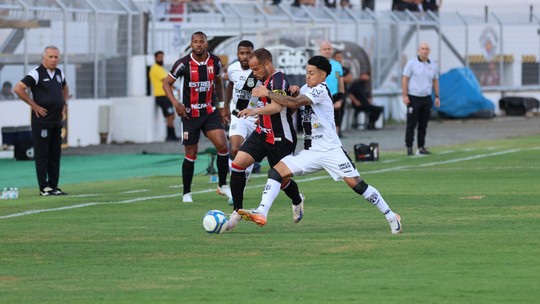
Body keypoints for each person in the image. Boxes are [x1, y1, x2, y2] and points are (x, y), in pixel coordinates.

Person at [238, 55, 402, 235]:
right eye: (306, 73)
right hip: (311, 151)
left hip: (331, 150)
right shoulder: (305, 88)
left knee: (358, 185)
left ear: (323, 76)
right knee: (276, 172)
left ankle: (391, 216)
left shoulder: (321, 90)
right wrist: (290, 93)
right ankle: (262, 212)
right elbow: (290, 108)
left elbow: (294, 103)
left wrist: (269, 93)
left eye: (312, 73)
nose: (308, 76)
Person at [226, 48, 303, 231]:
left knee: (281, 180)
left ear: (267, 64)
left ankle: (297, 199)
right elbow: (243, 101)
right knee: (237, 165)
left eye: (256, 69)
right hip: (262, 133)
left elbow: (277, 107)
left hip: (281, 138)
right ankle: (237, 212)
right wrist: (241, 109)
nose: (254, 73)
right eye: (252, 69)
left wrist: (255, 111)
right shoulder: (256, 79)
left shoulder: (278, 79)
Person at [162, 31, 232, 203]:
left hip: (209, 112)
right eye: (195, 42)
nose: (198, 45)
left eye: (201, 42)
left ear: (206, 43)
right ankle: (187, 193)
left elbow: (218, 84)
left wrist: (222, 107)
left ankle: (222, 186)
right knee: (191, 153)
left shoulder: (215, 61)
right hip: (189, 114)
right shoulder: (183, 64)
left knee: (223, 146)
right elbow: (166, 84)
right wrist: (176, 104)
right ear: (191, 44)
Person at [13, 46, 69, 196]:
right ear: (44, 58)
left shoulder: (59, 73)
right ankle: (43, 187)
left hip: (56, 122)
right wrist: (34, 105)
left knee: (55, 155)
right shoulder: (36, 73)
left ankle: (54, 186)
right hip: (41, 122)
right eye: (50, 57)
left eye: (56, 57)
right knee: (42, 155)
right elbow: (18, 88)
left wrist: (64, 104)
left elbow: (65, 88)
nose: (53, 60)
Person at [222, 40, 259, 203]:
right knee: (235, 149)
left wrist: (263, 114)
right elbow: (230, 85)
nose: (245, 56)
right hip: (239, 114)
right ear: (237, 54)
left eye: (248, 53)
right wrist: (224, 108)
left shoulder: (259, 70)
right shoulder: (232, 68)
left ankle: (242, 179)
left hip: (256, 116)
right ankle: (235, 185)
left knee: (249, 154)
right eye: (241, 53)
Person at [402, 42, 441, 156]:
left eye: (426, 49)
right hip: (414, 97)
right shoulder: (412, 63)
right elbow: (405, 78)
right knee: (411, 123)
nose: (424, 51)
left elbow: (435, 80)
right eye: (422, 49)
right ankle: (409, 146)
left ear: (429, 51)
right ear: (419, 51)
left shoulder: (433, 65)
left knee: (423, 124)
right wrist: (405, 95)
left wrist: (437, 96)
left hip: (426, 97)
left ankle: (421, 147)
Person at [149, 51, 178, 141]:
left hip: (165, 96)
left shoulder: (160, 68)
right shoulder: (155, 69)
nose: (161, 59)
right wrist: (176, 88)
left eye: (162, 57)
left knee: (171, 116)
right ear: (155, 58)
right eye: (159, 57)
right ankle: (170, 136)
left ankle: (172, 136)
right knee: (170, 116)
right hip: (162, 96)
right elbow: (166, 81)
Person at [319, 41, 345, 137]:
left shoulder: (337, 65)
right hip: (320, 98)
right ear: (320, 51)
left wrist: (341, 100)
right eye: (324, 49)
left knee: (335, 126)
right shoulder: (315, 65)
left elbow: (341, 86)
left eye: (329, 49)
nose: (327, 51)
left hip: (334, 98)